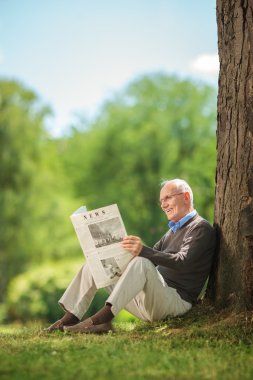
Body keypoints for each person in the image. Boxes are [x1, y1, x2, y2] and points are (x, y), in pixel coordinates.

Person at [44, 178, 216, 334]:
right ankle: (70, 318)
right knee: (95, 264)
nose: (163, 205)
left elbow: (182, 262)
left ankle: (100, 320)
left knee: (142, 261)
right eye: (161, 201)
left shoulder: (200, 228)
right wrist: (115, 250)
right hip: (151, 301)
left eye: (168, 198)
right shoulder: (172, 231)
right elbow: (147, 257)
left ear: (186, 196)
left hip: (176, 302)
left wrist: (142, 250)